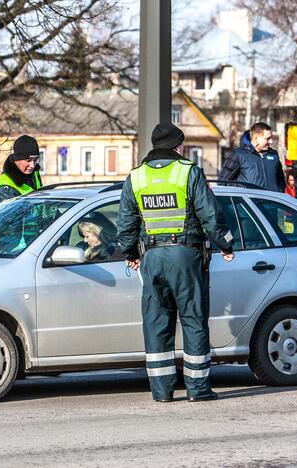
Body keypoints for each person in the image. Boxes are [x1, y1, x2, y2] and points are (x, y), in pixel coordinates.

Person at [116, 122, 235, 403]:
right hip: (185, 255)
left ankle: (161, 391)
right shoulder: (188, 172)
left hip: (152, 257)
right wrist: (226, 244)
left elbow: (125, 222)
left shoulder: (136, 177)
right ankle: (198, 388)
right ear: (177, 146)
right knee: (193, 319)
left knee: (157, 321)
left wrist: (131, 253)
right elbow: (210, 214)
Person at [220, 122, 285, 192]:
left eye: (271, 138)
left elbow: (281, 180)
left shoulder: (274, 155)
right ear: (256, 138)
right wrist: (245, 189)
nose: (271, 141)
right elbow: (222, 182)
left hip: (271, 202)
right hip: (247, 202)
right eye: (267, 138)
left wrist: (279, 190)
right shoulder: (239, 154)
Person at [0, 135, 43, 205]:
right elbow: (14, 215)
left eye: (35, 160)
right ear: (17, 159)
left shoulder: (34, 174)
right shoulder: (4, 189)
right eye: (28, 160)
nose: (32, 165)